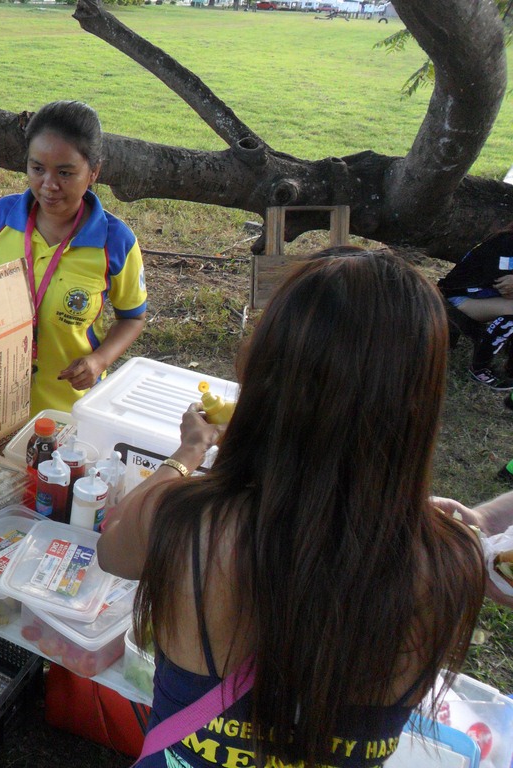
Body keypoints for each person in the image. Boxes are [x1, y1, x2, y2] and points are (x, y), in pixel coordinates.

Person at [98, 249, 486, 768]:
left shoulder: (185, 520)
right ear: (422, 398)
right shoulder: (453, 564)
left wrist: (189, 453)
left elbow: (112, 548)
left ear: (266, 375)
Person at [0, 100, 147, 414]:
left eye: (65, 173)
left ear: (94, 172)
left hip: (68, 410)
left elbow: (132, 317)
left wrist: (99, 360)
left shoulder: (115, 241)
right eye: (37, 169)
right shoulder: (3, 216)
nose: (49, 185)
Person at [438, 227, 513, 390]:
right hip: (461, 296)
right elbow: (506, 290)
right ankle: (480, 368)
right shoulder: (507, 243)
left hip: (485, 295)